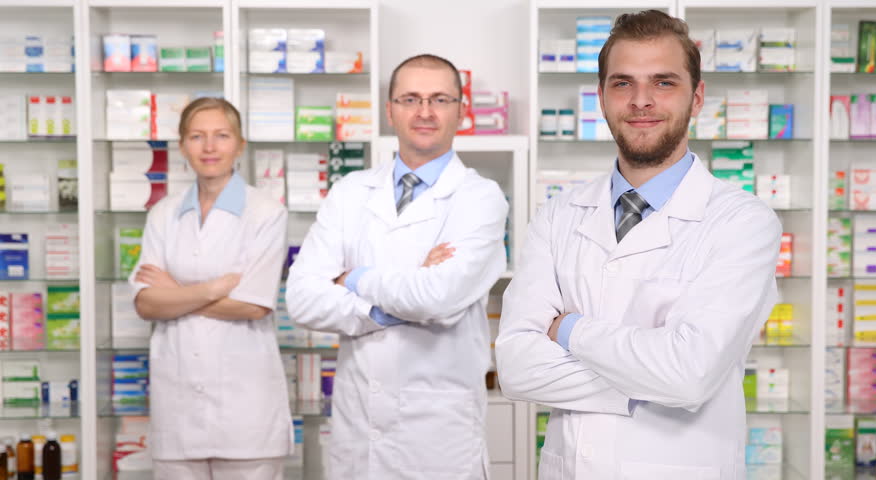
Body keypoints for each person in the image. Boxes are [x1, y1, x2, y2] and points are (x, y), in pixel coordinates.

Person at [495, 10, 782, 479]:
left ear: (697, 97)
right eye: (623, 83)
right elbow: (516, 368)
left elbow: (688, 375)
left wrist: (568, 330)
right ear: (602, 97)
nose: (641, 100)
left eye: (664, 82)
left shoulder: (742, 222)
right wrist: (652, 378)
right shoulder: (559, 214)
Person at [286, 54, 508, 479]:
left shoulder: (479, 198)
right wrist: (381, 309)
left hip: (437, 440)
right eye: (410, 99)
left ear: (462, 112)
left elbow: (437, 297)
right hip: (357, 431)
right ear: (389, 110)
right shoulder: (351, 192)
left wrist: (352, 278)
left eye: (440, 99)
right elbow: (301, 297)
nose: (424, 112)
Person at [129, 97, 292, 480]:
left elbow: (253, 306)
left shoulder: (266, 212)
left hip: (245, 411)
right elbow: (146, 302)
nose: (209, 147)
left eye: (221, 135)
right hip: (178, 404)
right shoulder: (164, 213)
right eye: (197, 136)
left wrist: (176, 290)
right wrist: (214, 289)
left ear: (240, 144)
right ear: (182, 145)